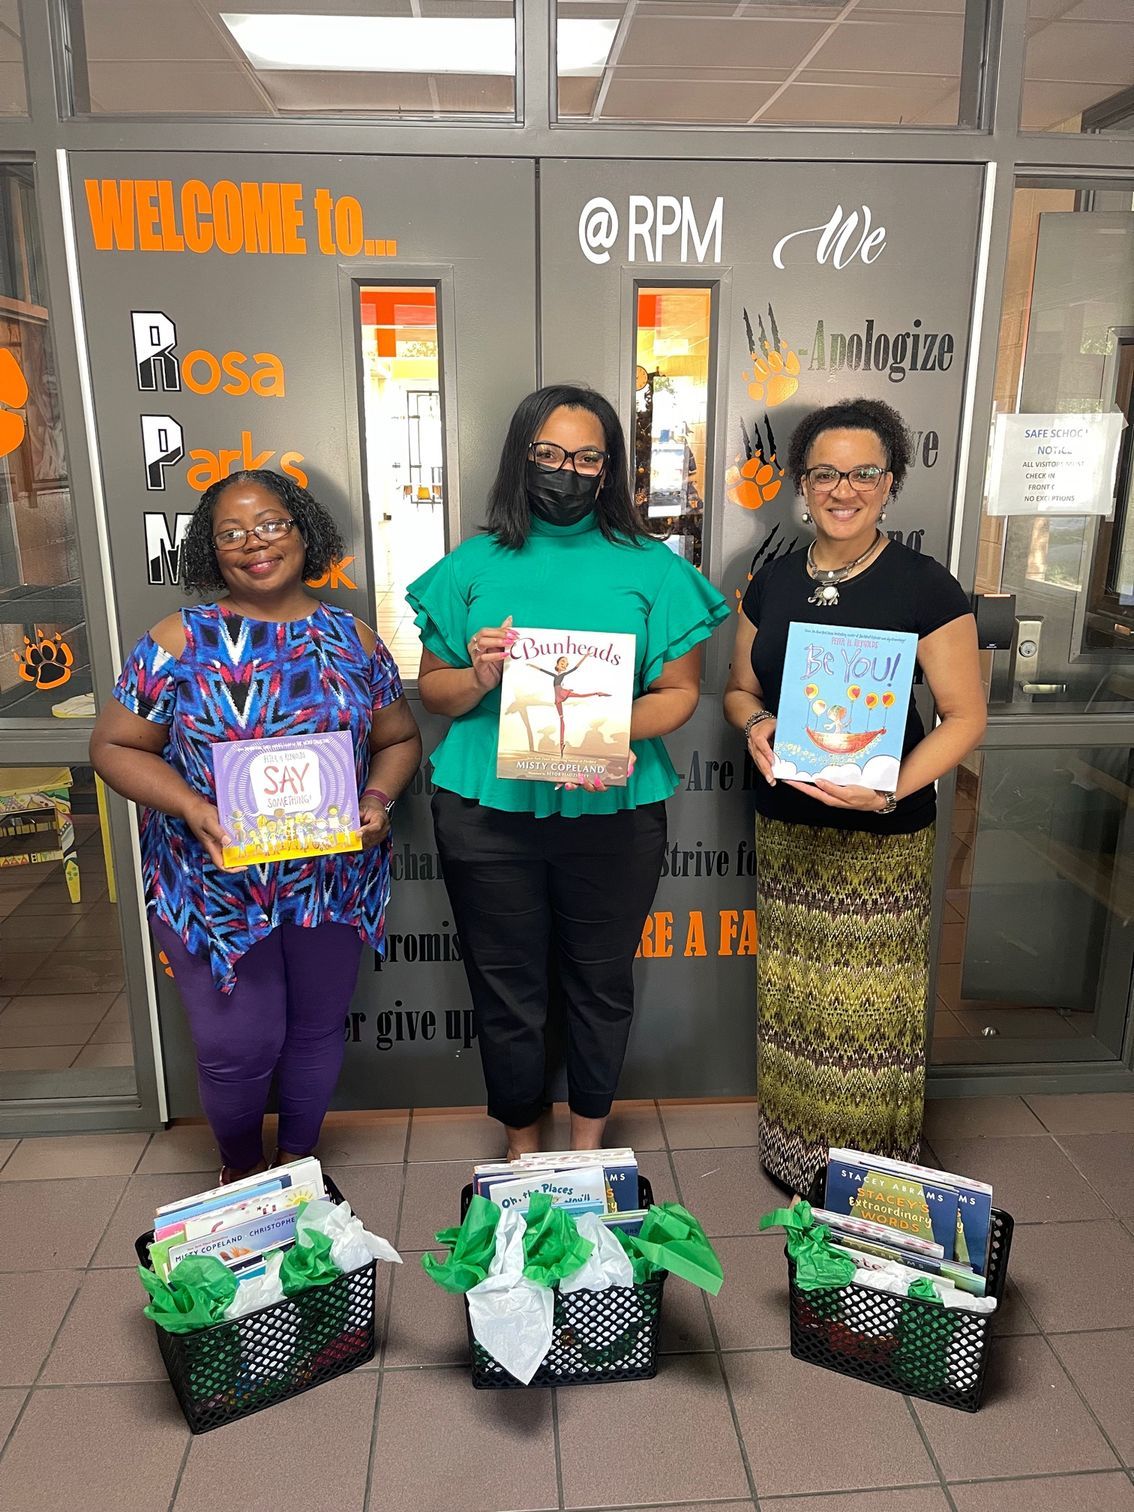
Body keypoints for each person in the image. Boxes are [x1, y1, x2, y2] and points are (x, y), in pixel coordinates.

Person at [407, 384, 730, 1158]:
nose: (568, 471)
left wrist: (598, 732)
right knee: (506, 986)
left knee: (599, 981)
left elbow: (680, 695)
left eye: (588, 457)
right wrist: (481, 674)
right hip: (487, 812)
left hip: (613, 809)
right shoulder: (471, 565)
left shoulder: (652, 569)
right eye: (549, 454)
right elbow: (433, 689)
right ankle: (524, 1143)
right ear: (522, 457)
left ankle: (587, 1146)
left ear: (611, 468)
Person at [90, 469, 421, 1182]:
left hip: (329, 881)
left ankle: (297, 1164)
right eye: (231, 533)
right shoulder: (179, 640)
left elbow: (398, 739)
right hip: (214, 888)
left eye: (271, 523)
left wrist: (378, 799)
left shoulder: (353, 638)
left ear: (304, 530)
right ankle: (240, 1177)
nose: (254, 544)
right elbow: (113, 746)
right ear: (212, 551)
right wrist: (191, 806)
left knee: (314, 1030)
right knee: (237, 1046)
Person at [723, 398, 986, 1198]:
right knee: (798, 996)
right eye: (825, 472)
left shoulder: (923, 587)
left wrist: (889, 791)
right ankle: (794, 1153)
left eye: (863, 471)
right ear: (802, 483)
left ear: (891, 480)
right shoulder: (767, 584)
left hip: (883, 835)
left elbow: (966, 717)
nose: (844, 488)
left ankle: (866, 1179)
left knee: (869, 1007)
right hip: (789, 827)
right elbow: (738, 691)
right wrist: (759, 722)